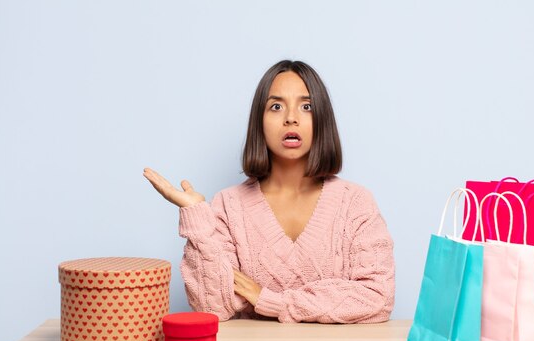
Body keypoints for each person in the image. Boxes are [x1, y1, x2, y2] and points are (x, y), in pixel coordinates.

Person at [144, 60, 395, 323]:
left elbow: (377, 298)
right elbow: (214, 308)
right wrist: (197, 219)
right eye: (276, 106)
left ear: (322, 119)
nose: (290, 117)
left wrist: (270, 301)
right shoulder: (229, 205)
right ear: (259, 122)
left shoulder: (355, 203)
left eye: (306, 106)